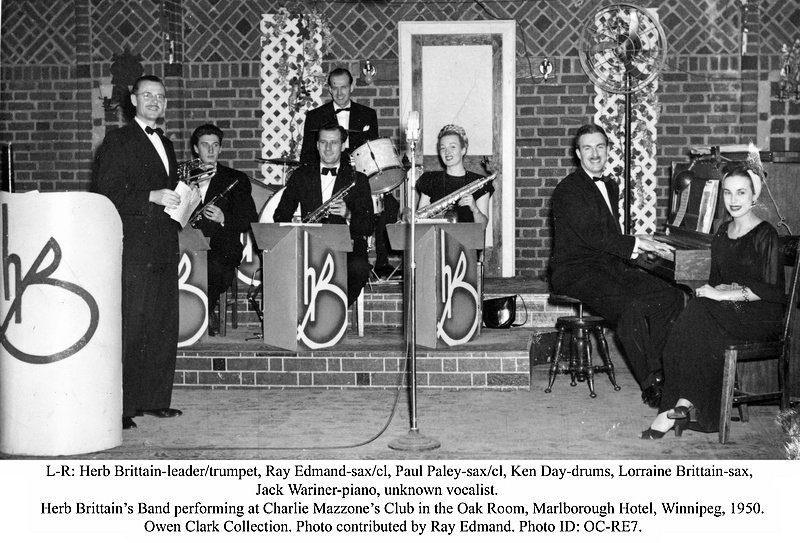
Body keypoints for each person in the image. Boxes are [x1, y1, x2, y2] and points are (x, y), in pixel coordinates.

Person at [641, 163, 786, 438]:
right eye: (728, 193)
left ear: (754, 196)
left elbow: (770, 292)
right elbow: (716, 278)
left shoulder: (765, 233)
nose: (733, 200)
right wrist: (710, 289)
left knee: (698, 316)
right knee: (696, 320)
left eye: (741, 192)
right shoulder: (722, 230)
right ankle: (681, 405)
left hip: (760, 315)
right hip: (730, 310)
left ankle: (673, 408)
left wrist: (721, 294)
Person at [550, 123, 685, 407]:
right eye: (587, 148)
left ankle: (661, 370)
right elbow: (593, 236)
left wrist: (642, 246)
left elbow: (609, 234)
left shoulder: (610, 185)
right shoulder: (568, 190)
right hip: (576, 271)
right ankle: (651, 384)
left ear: (608, 150)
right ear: (578, 154)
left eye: (600, 147)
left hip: (607, 266)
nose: (594, 154)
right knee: (630, 306)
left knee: (670, 296)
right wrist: (637, 244)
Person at [93, 75, 183, 430]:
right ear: (133, 100)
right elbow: (107, 193)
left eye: (160, 96)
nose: (154, 101)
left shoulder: (167, 143)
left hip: (164, 243)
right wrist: (151, 197)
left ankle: (154, 400)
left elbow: (167, 193)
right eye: (147, 95)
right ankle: (122, 406)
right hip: (134, 246)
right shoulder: (118, 141)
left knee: (162, 324)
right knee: (132, 324)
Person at [300, 67, 398, 278]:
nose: (339, 93)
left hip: (359, 179)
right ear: (329, 89)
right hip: (329, 178)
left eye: (344, 87)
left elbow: (371, 153)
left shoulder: (367, 114)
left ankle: (381, 262)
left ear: (352, 87)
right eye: (335, 88)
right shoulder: (315, 116)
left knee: (389, 204)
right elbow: (307, 155)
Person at [274, 122, 373, 306]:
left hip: (347, 246)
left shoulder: (358, 180)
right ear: (317, 145)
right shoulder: (301, 176)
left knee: (358, 268)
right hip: (309, 244)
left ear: (343, 146)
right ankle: (304, 312)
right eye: (323, 142)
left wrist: (348, 214)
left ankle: (334, 312)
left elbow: (368, 225)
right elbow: (280, 215)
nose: (328, 148)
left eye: (334, 143)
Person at [189, 124, 258, 335]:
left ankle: (201, 315)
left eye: (215, 145)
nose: (210, 150)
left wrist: (224, 218)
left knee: (214, 267)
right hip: (188, 242)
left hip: (223, 246)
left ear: (220, 148)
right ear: (195, 148)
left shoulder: (236, 179)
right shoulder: (184, 177)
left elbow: (250, 220)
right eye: (205, 145)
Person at [414, 124, 493, 226]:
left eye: (453, 146)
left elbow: (483, 226)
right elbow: (419, 223)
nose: (447, 152)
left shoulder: (480, 182)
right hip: (436, 235)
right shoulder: (429, 179)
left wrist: (475, 209)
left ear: (463, 150)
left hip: (466, 236)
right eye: (443, 148)